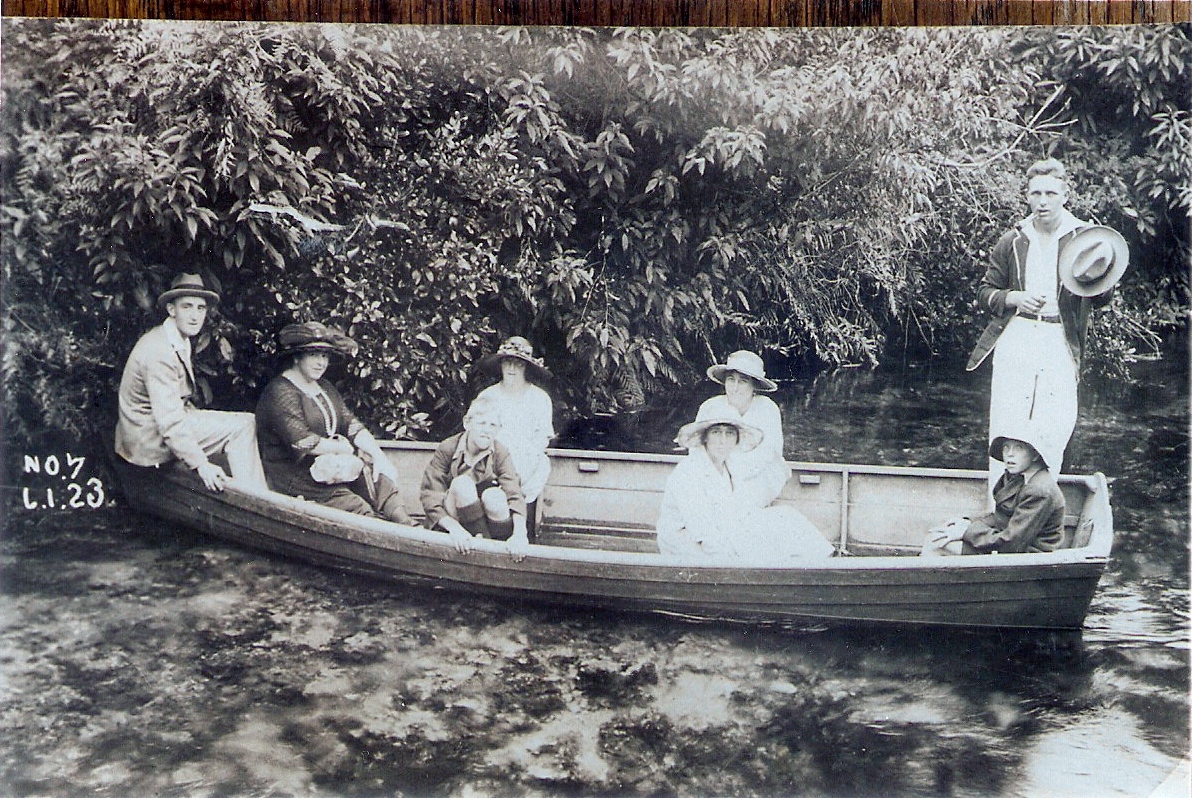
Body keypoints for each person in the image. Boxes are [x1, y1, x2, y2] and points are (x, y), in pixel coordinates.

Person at [966, 158, 1129, 485]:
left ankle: (1040, 506)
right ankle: (1001, 506)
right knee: (1007, 422)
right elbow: (986, 292)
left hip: (1059, 338)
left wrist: (1099, 274)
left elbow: (1103, 299)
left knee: (1054, 424)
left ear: (1065, 194)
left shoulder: (1084, 237)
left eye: (1051, 193)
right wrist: (1015, 298)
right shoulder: (1012, 239)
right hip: (1019, 334)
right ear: (1026, 196)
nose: (1043, 201)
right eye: (1036, 193)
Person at [115, 273, 267, 492]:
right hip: (148, 440)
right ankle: (255, 502)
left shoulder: (176, 338)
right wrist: (201, 465)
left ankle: (254, 492)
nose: (195, 316)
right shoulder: (159, 351)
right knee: (241, 428)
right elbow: (169, 423)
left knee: (244, 422)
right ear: (171, 309)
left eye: (200, 308)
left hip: (152, 427)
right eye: (187, 307)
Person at [255, 322, 410, 524]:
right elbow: (302, 441)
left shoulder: (324, 387)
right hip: (295, 476)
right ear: (296, 356)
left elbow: (350, 423)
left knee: (379, 479)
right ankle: (387, 540)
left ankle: (409, 526)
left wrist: (378, 455)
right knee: (356, 506)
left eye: (325, 356)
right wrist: (344, 449)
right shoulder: (281, 392)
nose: (321, 362)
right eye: (313, 354)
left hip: (333, 467)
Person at [655, 403, 834, 562]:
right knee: (758, 550)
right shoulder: (690, 471)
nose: (723, 441)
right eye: (716, 432)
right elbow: (702, 530)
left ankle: (826, 561)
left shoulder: (729, 467)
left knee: (784, 517)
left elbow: (741, 514)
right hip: (685, 547)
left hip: (717, 534)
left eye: (729, 433)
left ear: (736, 440)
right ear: (705, 437)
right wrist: (737, 557)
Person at [921, 430, 1066, 556]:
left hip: (1031, 558)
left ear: (1035, 455)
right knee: (937, 536)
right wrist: (968, 522)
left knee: (935, 544)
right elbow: (1001, 518)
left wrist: (966, 532)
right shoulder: (1020, 477)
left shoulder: (1039, 490)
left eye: (1019, 448)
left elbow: (1012, 542)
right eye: (1006, 448)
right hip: (1012, 547)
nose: (1009, 454)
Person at [419, 395, 530, 558]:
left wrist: (520, 535)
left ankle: (494, 548)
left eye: (492, 425)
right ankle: (481, 544)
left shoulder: (501, 453)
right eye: (481, 423)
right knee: (462, 484)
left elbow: (514, 496)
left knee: (495, 495)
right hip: (455, 522)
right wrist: (454, 529)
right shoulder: (448, 448)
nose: (487, 430)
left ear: (499, 429)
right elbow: (430, 496)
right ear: (467, 423)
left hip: (489, 524)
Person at [475, 336, 554, 538]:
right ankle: (490, 530)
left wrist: (520, 469)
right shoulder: (488, 396)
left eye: (518, 363)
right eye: (507, 362)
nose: (512, 368)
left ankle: (519, 530)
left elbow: (540, 440)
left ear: (526, 367)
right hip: (491, 460)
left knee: (535, 464)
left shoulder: (539, 398)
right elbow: (476, 433)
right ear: (500, 365)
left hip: (526, 463)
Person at [697, 350, 791, 508]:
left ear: (754, 385)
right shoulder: (710, 407)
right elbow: (697, 449)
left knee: (742, 501)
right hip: (717, 473)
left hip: (760, 476)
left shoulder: (767, 409)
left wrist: (735, 477)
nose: (734, 388)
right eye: (730, 380)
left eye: (742, 381)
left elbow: (769, 454)